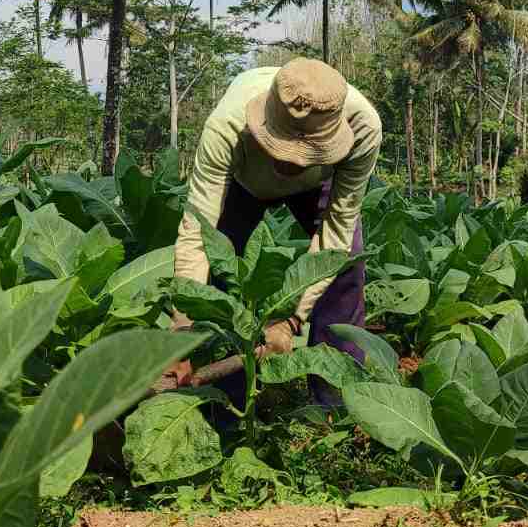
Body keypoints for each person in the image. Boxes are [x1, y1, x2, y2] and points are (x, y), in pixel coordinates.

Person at [163, 58, 380, 404]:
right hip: (243, 181)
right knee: (220, 277)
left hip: (318, 185)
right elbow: (197, 233)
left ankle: (335, 400)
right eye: (279, 149)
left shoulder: (364, 128)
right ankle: (221, 402)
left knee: (346, 267)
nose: (289, 164)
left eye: (306, 153)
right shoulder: (228, 126)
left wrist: (291, 320)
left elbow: (336, 232)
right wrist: (181, 333)